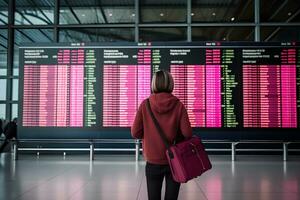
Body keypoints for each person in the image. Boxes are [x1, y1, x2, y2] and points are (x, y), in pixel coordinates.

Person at [131, 70, 192, 200]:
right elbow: (187, 133)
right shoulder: (178, 105)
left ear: (153, 84)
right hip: (175, 161)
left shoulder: (145, 104)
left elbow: (135, 132)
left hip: (153, 160)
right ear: (171, 84)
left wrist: (148, 133)